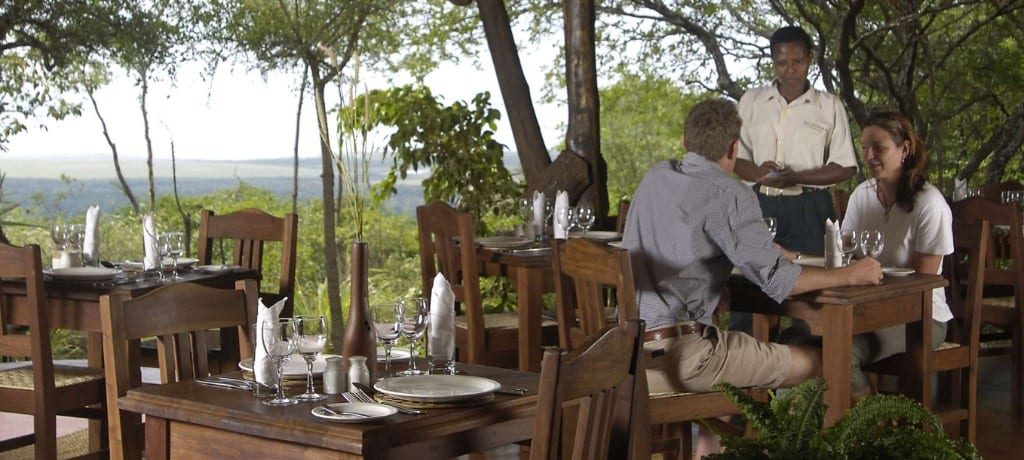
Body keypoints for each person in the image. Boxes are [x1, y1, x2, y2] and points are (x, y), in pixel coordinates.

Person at [621, 98, 881, 455]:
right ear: (733, 148)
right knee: (824, 363)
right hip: (687, 360)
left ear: (685, 141)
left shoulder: (656, 176)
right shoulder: (730, 192)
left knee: (733, 388)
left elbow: (677, 247)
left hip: (630, 353)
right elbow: (780, 281)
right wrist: (850, 274)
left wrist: (715, 285)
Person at [841, 111, 952, 396]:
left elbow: (922, 286)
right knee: (797, 339)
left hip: (921, 318)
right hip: (865, 310)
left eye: (879, 147)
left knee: (841, 353)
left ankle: (878, 429)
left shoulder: (930, 204)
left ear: (904, 149)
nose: (868, 156)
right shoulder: (861, 196)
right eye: (864, 147)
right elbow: (843, 257)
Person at [734, 25, 858, 256]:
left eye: (798, 61)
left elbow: (845, 167)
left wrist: (795, 177)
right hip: (758, 205)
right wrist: (759, 174)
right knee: (753, 280)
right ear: (773, 61)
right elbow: (735, 158)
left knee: (814, 278)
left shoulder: (829, 105)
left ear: (810, 59)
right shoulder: (750, 101)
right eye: (782, 62)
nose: (790, 69)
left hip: (811, 209)